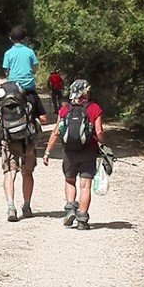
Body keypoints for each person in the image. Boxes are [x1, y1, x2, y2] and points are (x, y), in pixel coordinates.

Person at [0, 25, 47, 222]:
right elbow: (43, 119)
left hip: (8, 137)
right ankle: (26, 206)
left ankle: (10, 207)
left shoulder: (8, 53)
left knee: (9, 171)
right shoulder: (30, 52)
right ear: (25, 39)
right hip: (26, 136)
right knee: (27, 172)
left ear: (10, 39)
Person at [42, 79, 105, 230]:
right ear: (86, 92)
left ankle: (70, 208)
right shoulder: (94, 108)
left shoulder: (65, 110)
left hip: (69, 152)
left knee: (70, 180)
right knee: (85, 186)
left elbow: (56, 131)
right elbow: (99, 131)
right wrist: (103, 145)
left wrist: (47, 152)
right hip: (88, 152)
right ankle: (82, 218)